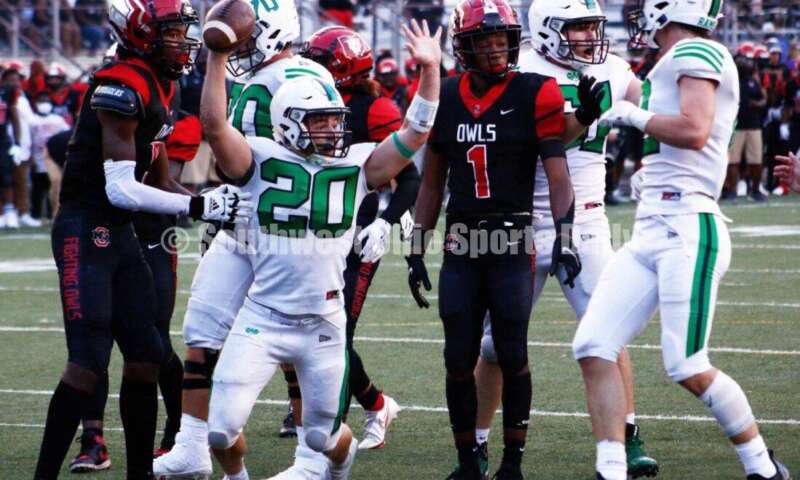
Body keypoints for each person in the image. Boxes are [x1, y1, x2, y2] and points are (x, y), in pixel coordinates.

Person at [198, 18, 441, 480]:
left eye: (335, 120)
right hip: (262, 318)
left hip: (324, 325)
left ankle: (339, 465)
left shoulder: (355, 164)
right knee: (220, 433)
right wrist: (217, 56)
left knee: (321, 439)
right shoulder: (259, 159)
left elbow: (417, 130)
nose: (334, 130)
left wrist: (430, 68)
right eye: (321, 122)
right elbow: (214, 125)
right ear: (288, 123)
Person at [33, 0, 253, 478]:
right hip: (84, 227)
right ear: (138, 34)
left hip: (119, 231)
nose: (184, 41)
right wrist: (196, 206)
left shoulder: (161, 82)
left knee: (147, 358)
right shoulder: (121, 82)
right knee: (88, 362)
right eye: (172, 31)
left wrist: (211, 199)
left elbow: (156, 181)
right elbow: (120, 187)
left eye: (183, 31)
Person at [574, 0, 790, 478]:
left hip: (688, 227)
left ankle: (762, 466)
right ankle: (610, 468)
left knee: (686, 363)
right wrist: (649, 175)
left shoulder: (699, 52)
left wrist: (632, 116)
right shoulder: (671, 60)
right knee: (592, 344)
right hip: (653, 224)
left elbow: (694, 131)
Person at [472, 0, 658, 477]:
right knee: (495, 344)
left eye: (592, 27)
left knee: (608, 334)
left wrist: (651, 167)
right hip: (520, 221)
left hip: (591, 220)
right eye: (577, 28)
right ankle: (475, 441)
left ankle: (628, 435)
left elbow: (653, 114)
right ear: (548, 29)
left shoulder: (614, 70)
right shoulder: (519, 70)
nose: (588, 38)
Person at [408, 0, 593, 477]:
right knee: (457, 357)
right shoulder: (445, 96)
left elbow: (558, 175)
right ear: (464, 46)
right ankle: (468, 460)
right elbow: (432, 183)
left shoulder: (537, 91)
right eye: (483, 41)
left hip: (512, 238)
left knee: (512, 352)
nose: (494, 49)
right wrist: (414, 248)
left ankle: (513, 461)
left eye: (500, 39)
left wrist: (565, 236)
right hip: (462, 243)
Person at [153, 1, 337, 477]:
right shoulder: (253, 76)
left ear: (274, 31)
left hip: (284, 230)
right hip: (241, 225)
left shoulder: (301, 76)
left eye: (246, 35)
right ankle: (192, 445)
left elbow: (322, 152)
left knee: (298, 342)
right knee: (202, 331)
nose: (238, 45)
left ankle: (311, 457)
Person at [301, 25, 419, 450]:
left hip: (358, 238)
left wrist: (387, 221)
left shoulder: (373, 108)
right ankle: (375, 402)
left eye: (319, 61)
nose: (308, 68)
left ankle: (332, 425)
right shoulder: (307, 101)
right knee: (308, 328)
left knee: (338, 334)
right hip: (314, 235)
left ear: (343, 70)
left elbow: (410, 180)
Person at [726, 49, 767, 202]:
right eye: (739, 61)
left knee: (756, 160)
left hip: (753, 124)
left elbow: (763, 99)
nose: (743, 63)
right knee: (732, 160)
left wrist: (756, 103)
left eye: (744, 60)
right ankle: (732, 191)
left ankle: (755, 190)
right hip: (735, 124)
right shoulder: (729, 80)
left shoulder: (753, 80)